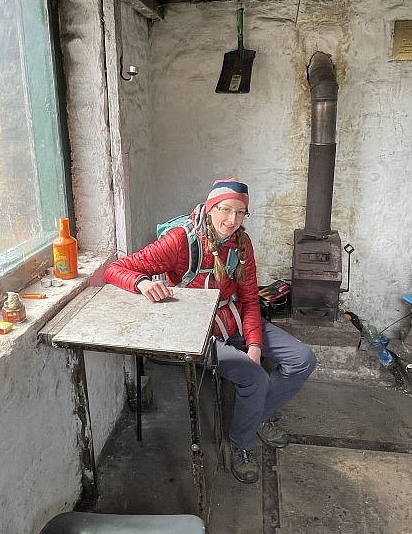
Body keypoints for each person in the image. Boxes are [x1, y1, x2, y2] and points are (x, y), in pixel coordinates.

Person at [104, 178, 317, 484]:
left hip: (236, 321)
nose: (232, 220)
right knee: (254, 376)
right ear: (209, 207)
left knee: (303, 359)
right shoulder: (181, 241)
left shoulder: (242, 244)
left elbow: (248, 299)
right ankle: (242, 444)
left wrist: (254, 343)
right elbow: (116, 268)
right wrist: (142, 283)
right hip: (200, 330)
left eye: (240, 213)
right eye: (225, 210)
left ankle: (256, 414)